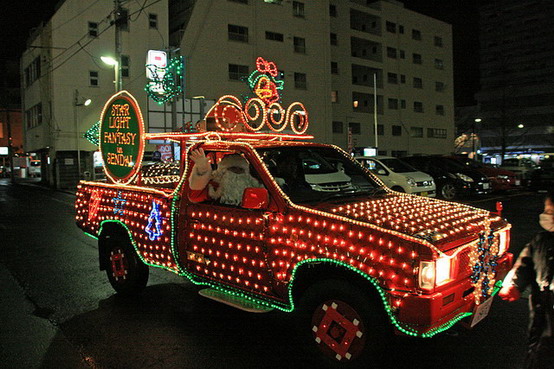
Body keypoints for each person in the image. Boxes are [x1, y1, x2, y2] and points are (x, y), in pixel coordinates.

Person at [499, 189, 554, 369]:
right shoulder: (541, 240)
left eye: (552, 213)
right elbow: (525, 263)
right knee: (537, 350)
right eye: (547, 212)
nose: (548, 217)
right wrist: (514, 285)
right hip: (541, 310)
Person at [187, 147, 262, 206]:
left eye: (241, 169)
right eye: (233, 168)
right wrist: (202, 170)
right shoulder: (214, 186)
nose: (237, 171)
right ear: (223, 171)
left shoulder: (253, 185)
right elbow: (194, 196)